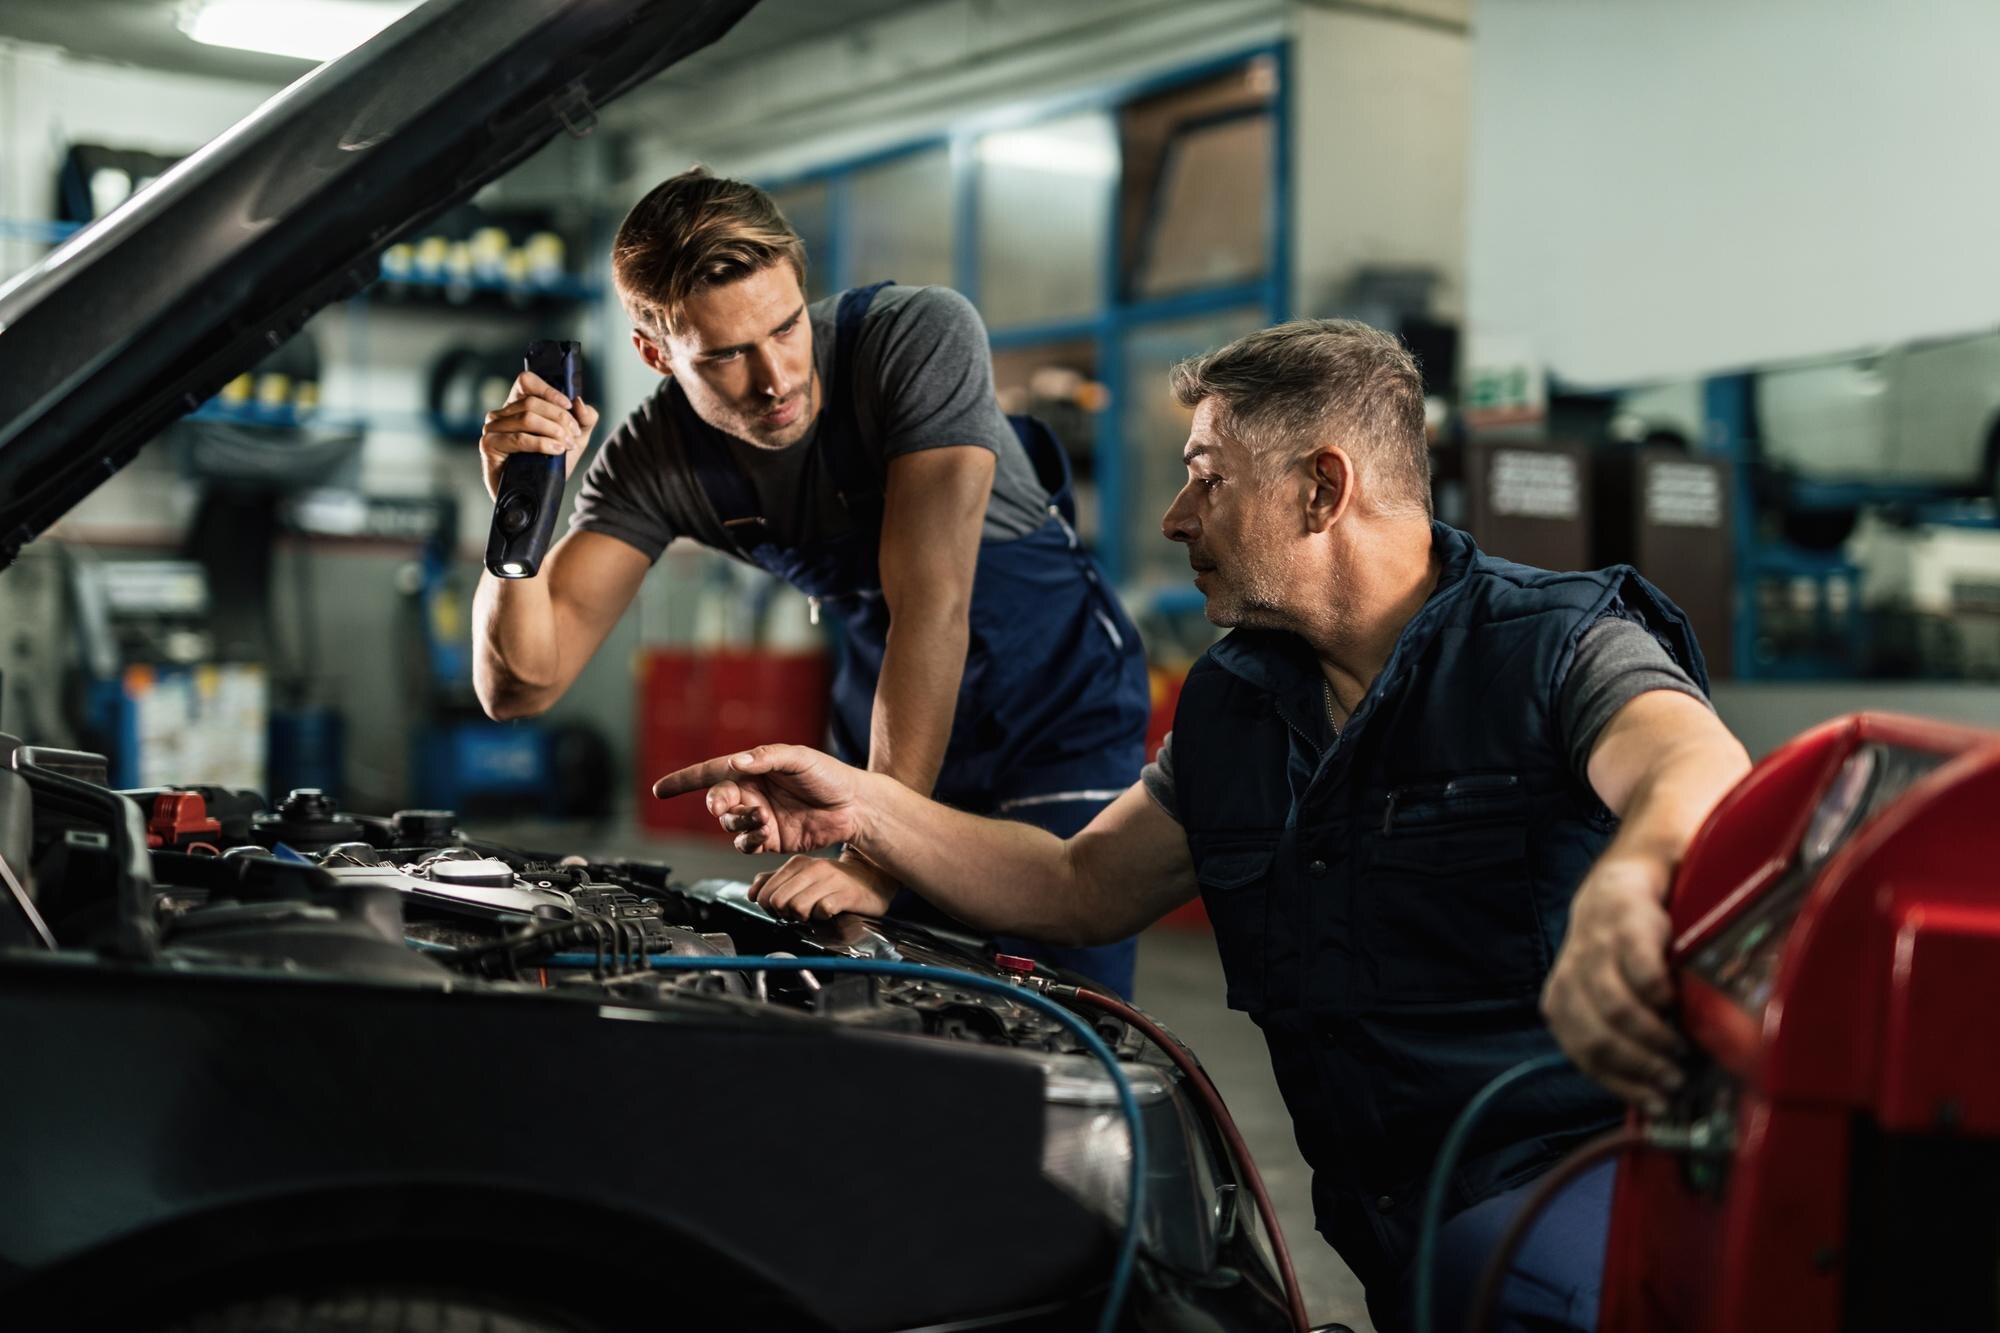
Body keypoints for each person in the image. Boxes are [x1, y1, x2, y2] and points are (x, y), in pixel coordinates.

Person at [652, 320, 1752, 1332]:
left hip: (1584, 1212)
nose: (1176, 518)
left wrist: (1634, 875)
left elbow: (1692, 765)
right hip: (1393, 1242)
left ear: (1321, 489)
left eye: (1204, 479)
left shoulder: (1550, 645)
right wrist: (866, 805)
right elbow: (1081, 883)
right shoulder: (1239, 701)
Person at [470, 167, 1149, 995]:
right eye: (724, 355)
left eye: (787, 327)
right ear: (655, 353)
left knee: (1058, 1009)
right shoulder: (654, 460)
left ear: (802, 287)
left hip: (1053, 720)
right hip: (886, 736)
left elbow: (932, 606)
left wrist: (873, 850)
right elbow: (521, 687)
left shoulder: (915, 339)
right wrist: (519, 512)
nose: (776, 377)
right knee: (890, 1003)